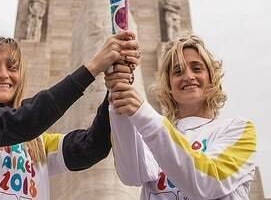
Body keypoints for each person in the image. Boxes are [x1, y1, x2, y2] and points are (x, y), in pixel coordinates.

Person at [0, 31, 139, 199]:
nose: (3, 74)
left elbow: (91, 147)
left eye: (12, 68)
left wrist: (114, 88)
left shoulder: (36, 144)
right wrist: (92, 68)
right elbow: (20, 123)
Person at [106, 34, 256, 200]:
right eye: (178, 72)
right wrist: (118, 91)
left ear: (212, 78)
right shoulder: (150, 134)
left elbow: (207, 181)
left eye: (197, 68)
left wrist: (142, 113)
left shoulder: (238, 130)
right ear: (169, 86)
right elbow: (131, 174)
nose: (188, 76)